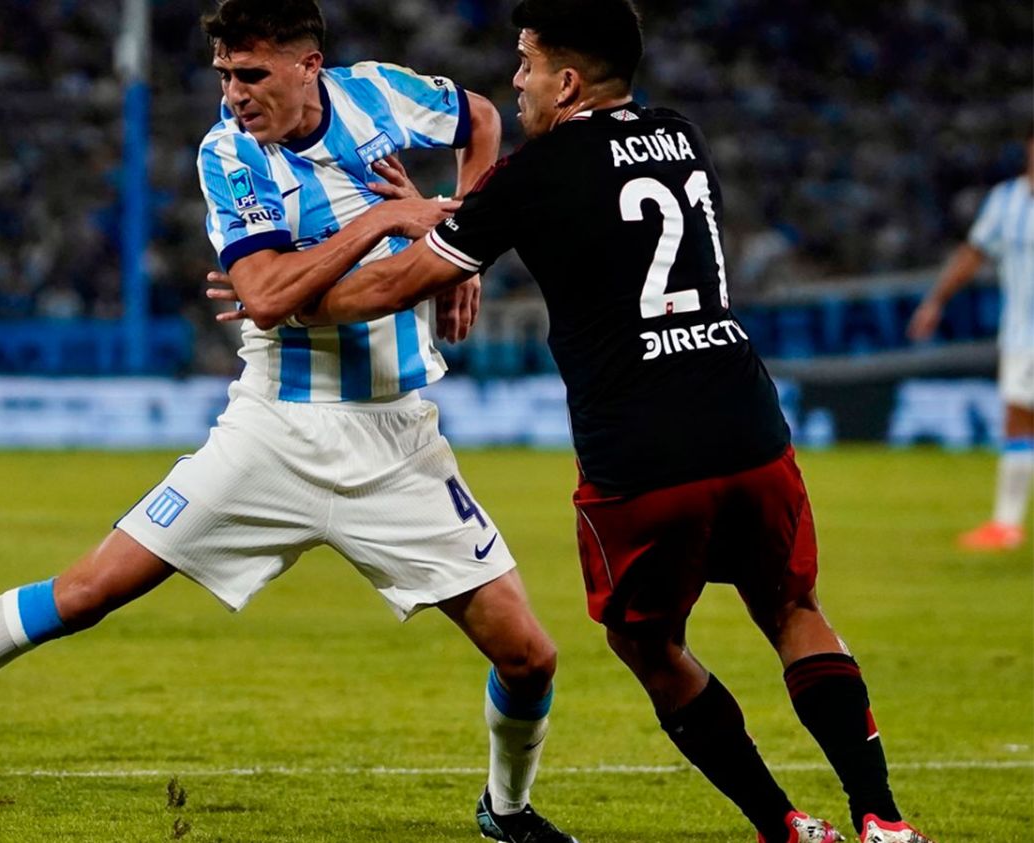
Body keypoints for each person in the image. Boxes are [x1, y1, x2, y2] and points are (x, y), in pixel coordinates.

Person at [0, 2, 575, 842]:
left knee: (530, 656)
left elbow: (481, 119)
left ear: (309, 65)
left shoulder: (379, 94)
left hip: (396, 441)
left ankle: (506, 811)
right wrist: (389, 219)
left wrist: (464, 249)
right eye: (225, 75)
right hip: (273, 433)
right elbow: (266, 297)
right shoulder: (229, 153)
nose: (235, 94)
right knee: (86, 592)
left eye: (253, 74)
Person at [210, 2, 939, 842]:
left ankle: (782, 824)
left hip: (638, 447)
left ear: (565, 82)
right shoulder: (682, 135)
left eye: (526, 64)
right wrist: (449, 210)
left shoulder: (534, 174)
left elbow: (385, 288)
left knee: (648, 642)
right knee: (793, 608)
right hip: (745, 416)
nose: (514, 81)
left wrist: (284, 296)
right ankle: (882, 817)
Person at [907, 135, 1033, 552]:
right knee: (1018, 418)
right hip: (1021, 334)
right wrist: (935, 301)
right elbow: (973, 254)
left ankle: (1006, 523)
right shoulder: (1006, 201)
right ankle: (1006, 525)